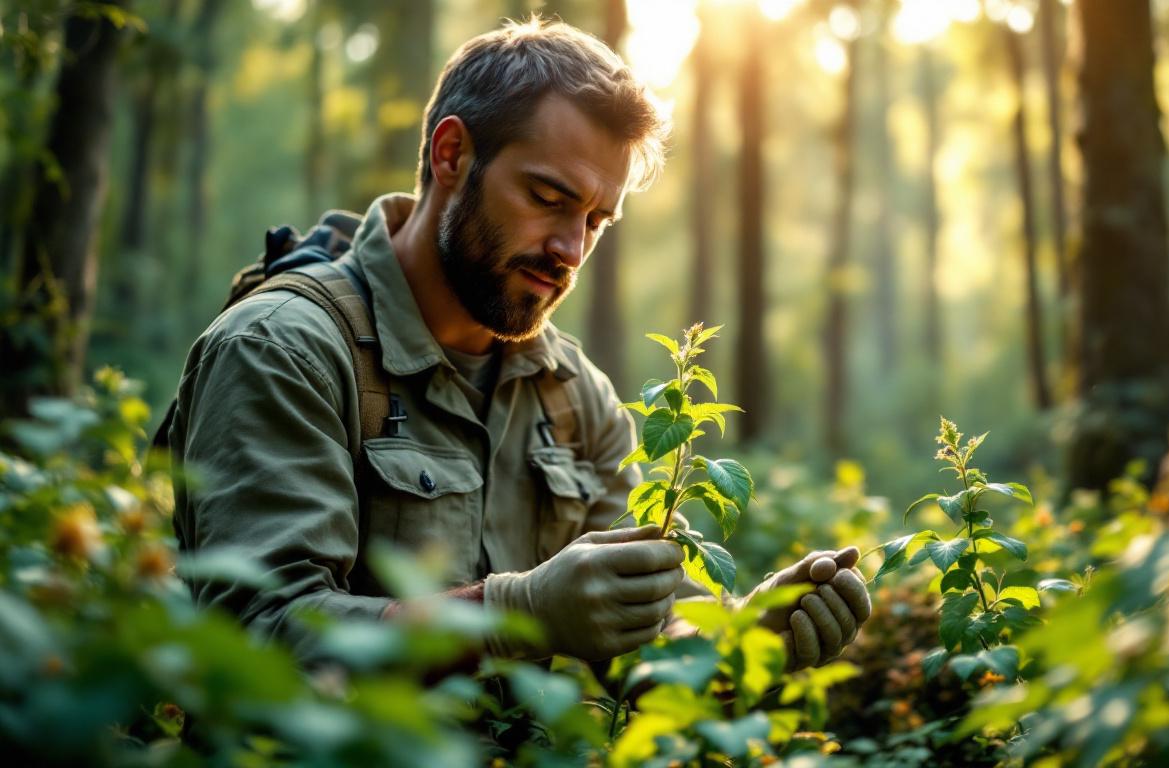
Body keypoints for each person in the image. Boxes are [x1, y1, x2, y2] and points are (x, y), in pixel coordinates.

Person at [168, 18, 870, 669]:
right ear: (451, 154)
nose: (570, 249)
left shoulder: (576, 396)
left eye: (597, 221)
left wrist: (746, 639)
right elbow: (256, 641)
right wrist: (511, 615)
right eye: (547, 197)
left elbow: (644, 648)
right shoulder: (284, 350)